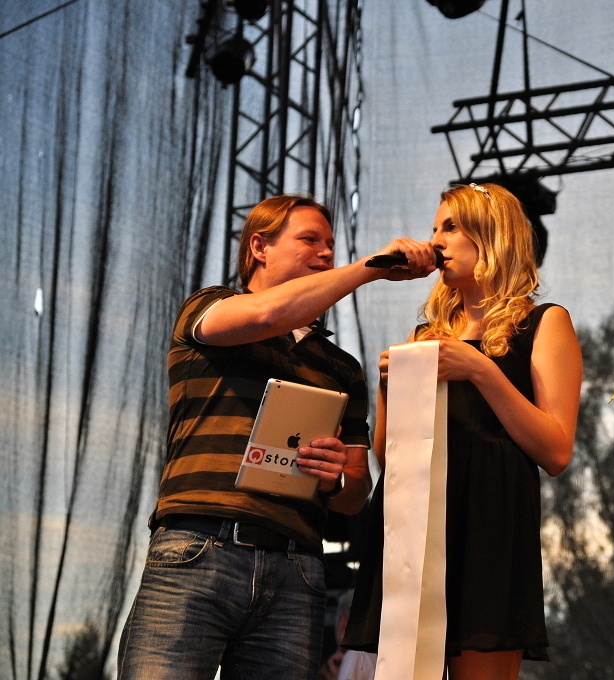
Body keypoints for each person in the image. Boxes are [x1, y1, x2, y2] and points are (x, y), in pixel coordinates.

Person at [117, 194, 438, 680]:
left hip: (296, 567)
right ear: (259, 247)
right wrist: (369, 269)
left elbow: (356, 494)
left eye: (331, 245)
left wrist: (334, 478)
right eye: (310, 239)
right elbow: (267, 316)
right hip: (198, 545)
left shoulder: (341, 368)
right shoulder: (210, 307)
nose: (325, 252)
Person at [343, 182, 583, 680]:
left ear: (492, 236)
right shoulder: (424, 337)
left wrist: (478, 369)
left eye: (451, 227)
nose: (436, 241)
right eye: (435, 229)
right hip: (414, 528)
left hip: (490, 530)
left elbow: (556, 451)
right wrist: (389, 387)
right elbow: (389, 457)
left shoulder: (544, 322)